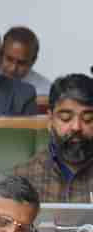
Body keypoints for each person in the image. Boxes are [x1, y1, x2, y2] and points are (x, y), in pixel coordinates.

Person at [13, 74, 93, 202]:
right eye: (66, 118)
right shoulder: (22, 179)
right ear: (50, 120)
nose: (76, 127)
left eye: (88, 119)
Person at [1, 27, 52, 96]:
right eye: (9, 59)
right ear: (0, 53)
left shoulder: (46, 92)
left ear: (33, 61)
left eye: (21, 63)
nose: (13, 69)